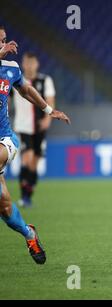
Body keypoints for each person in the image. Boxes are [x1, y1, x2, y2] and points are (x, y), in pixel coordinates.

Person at [0, 26, 71, 264]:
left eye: (4, 40)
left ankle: (28, 192)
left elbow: (27, 90)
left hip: (5, 140)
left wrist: (50, 111)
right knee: (6, 209)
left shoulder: (10, 69)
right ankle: (29, 234)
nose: (4, 45)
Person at [11, 52, 56, 207]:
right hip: (23, 126)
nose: (29, 65)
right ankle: (23, 196)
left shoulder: (45, 80)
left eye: (32, 62)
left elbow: (50, 100)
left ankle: (28, 195)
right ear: (23, 64)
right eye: (27, 62)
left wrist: (47, 119)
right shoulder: (16, 80)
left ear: (37, 64)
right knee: (27, 157)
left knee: (34, 163)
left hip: (39, 128)